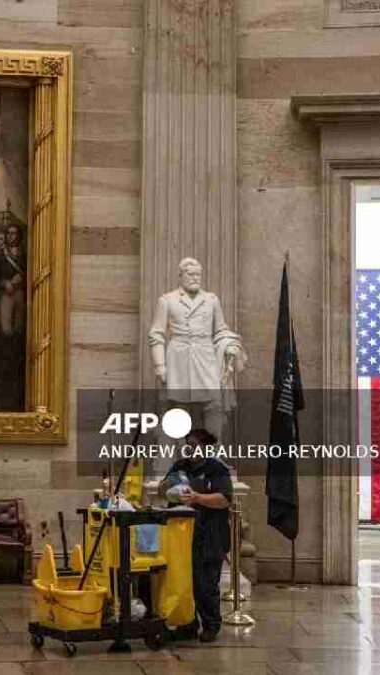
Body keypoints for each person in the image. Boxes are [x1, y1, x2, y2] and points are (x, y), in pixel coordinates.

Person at [148, 257, 246, 438]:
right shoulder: (167, 300)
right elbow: (156, 334)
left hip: (205, 358)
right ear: (180, 276)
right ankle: (180, 455)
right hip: (178, 359)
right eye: (190, 274)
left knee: (214, 404)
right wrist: (160, 366)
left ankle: (213, 453)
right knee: (179, 407)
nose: (195, 278)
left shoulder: (211, 300)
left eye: (198, 274)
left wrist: (229, 345)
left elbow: (220, 330)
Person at [159, 428, 232, 643]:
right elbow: (162, 491)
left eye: (194, 445)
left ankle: (211, 624)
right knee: (183, 582)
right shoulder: (180, 466)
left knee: (206, 583)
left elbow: (225, 498)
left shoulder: (217, 469)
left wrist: (198, 497)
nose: (190, 448)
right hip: (181, 534)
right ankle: (187, 625)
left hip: (210, 534)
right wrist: (166, 486)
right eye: (187, 444)